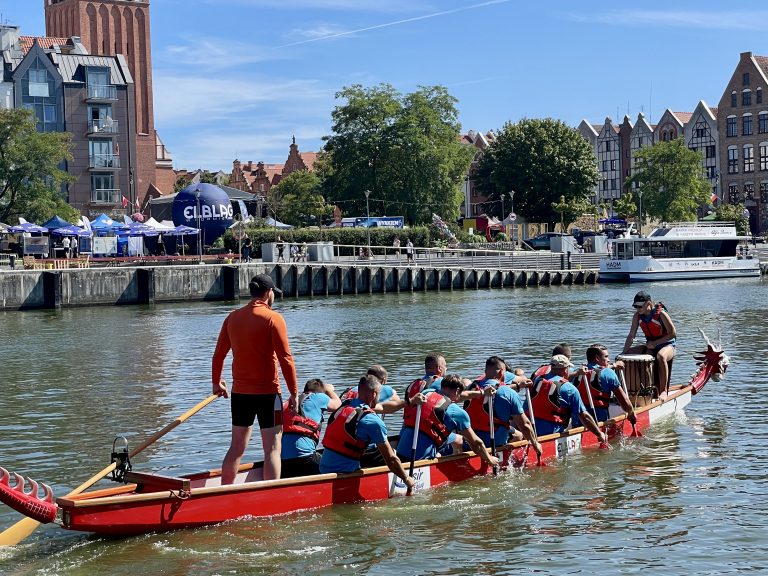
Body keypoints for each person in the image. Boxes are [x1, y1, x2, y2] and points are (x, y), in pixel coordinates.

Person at [212, 273, 298, 484]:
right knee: (272, 447)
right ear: (269, 293)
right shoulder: (273, 318)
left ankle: (224, 493)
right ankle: (270, 494)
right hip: (269, 394)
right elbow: (286, 360)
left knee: (237, 447)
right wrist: (294, 393)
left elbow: (218, 355)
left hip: (240, 394)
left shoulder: (232, 317)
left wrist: (216, 382)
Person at [319, 375, 416, 491]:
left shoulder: (345, 405)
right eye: (379, 394)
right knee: (393, 454)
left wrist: (409, 402)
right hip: (345, 474)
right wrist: (406, 478)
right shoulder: (372, 420)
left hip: (323, 468)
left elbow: (383, 407)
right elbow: (391, 459)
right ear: (374, 394)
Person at [396, 374, 500, 468]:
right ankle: (459, 467)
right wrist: (489, 459)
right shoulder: (457, 413)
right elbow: (476, 443)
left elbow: (457, 397)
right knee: (461, 440)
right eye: (460, 394)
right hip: (419, 461)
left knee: (455, 438)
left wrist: (481, 392)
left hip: (400, 453)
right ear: (457, 391)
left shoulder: (426, 393)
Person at [464, 356, 541, 456]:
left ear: (485, 371)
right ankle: (507, 459)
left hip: (470, 439)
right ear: (501, 372)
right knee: (520, 434)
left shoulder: (470, 388)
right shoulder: (507, 392)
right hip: (492, 440)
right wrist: (536, 444)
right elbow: (525, 425)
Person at [528, 355, 607, 443]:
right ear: (565, 369)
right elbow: (584, 416)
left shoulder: (536, 380)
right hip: (551, 435)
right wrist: (599, 434)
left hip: (531, 431)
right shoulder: (570, 388)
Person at [281, 378, 341, 478]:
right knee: (338, 466)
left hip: (285, 461)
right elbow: (338, 405)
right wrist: (329, 390)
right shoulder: (317, 397)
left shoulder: (289, 402)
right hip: (305, 458)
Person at [622, 290, 677, 397]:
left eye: (640, 306)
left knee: (661, 356)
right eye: (636, 307)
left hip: (667, 345)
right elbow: (631, 336)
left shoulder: (661, 314)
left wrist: (656, 343)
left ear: (649, 303)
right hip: (651, 345)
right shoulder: (637, 316)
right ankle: (642, 390)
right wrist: (623, 353)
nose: (638, 309)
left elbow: (673, 334)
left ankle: (663, 391)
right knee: (627, 355)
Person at [577, 344, 636, 425]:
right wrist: (631, 412)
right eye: (606, 357)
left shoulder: (577, 373)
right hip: (599, 419)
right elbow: (624, 401)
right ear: (597, 358)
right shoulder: (608, 373)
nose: (608, 360)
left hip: (577, 420)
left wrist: (613, 366)